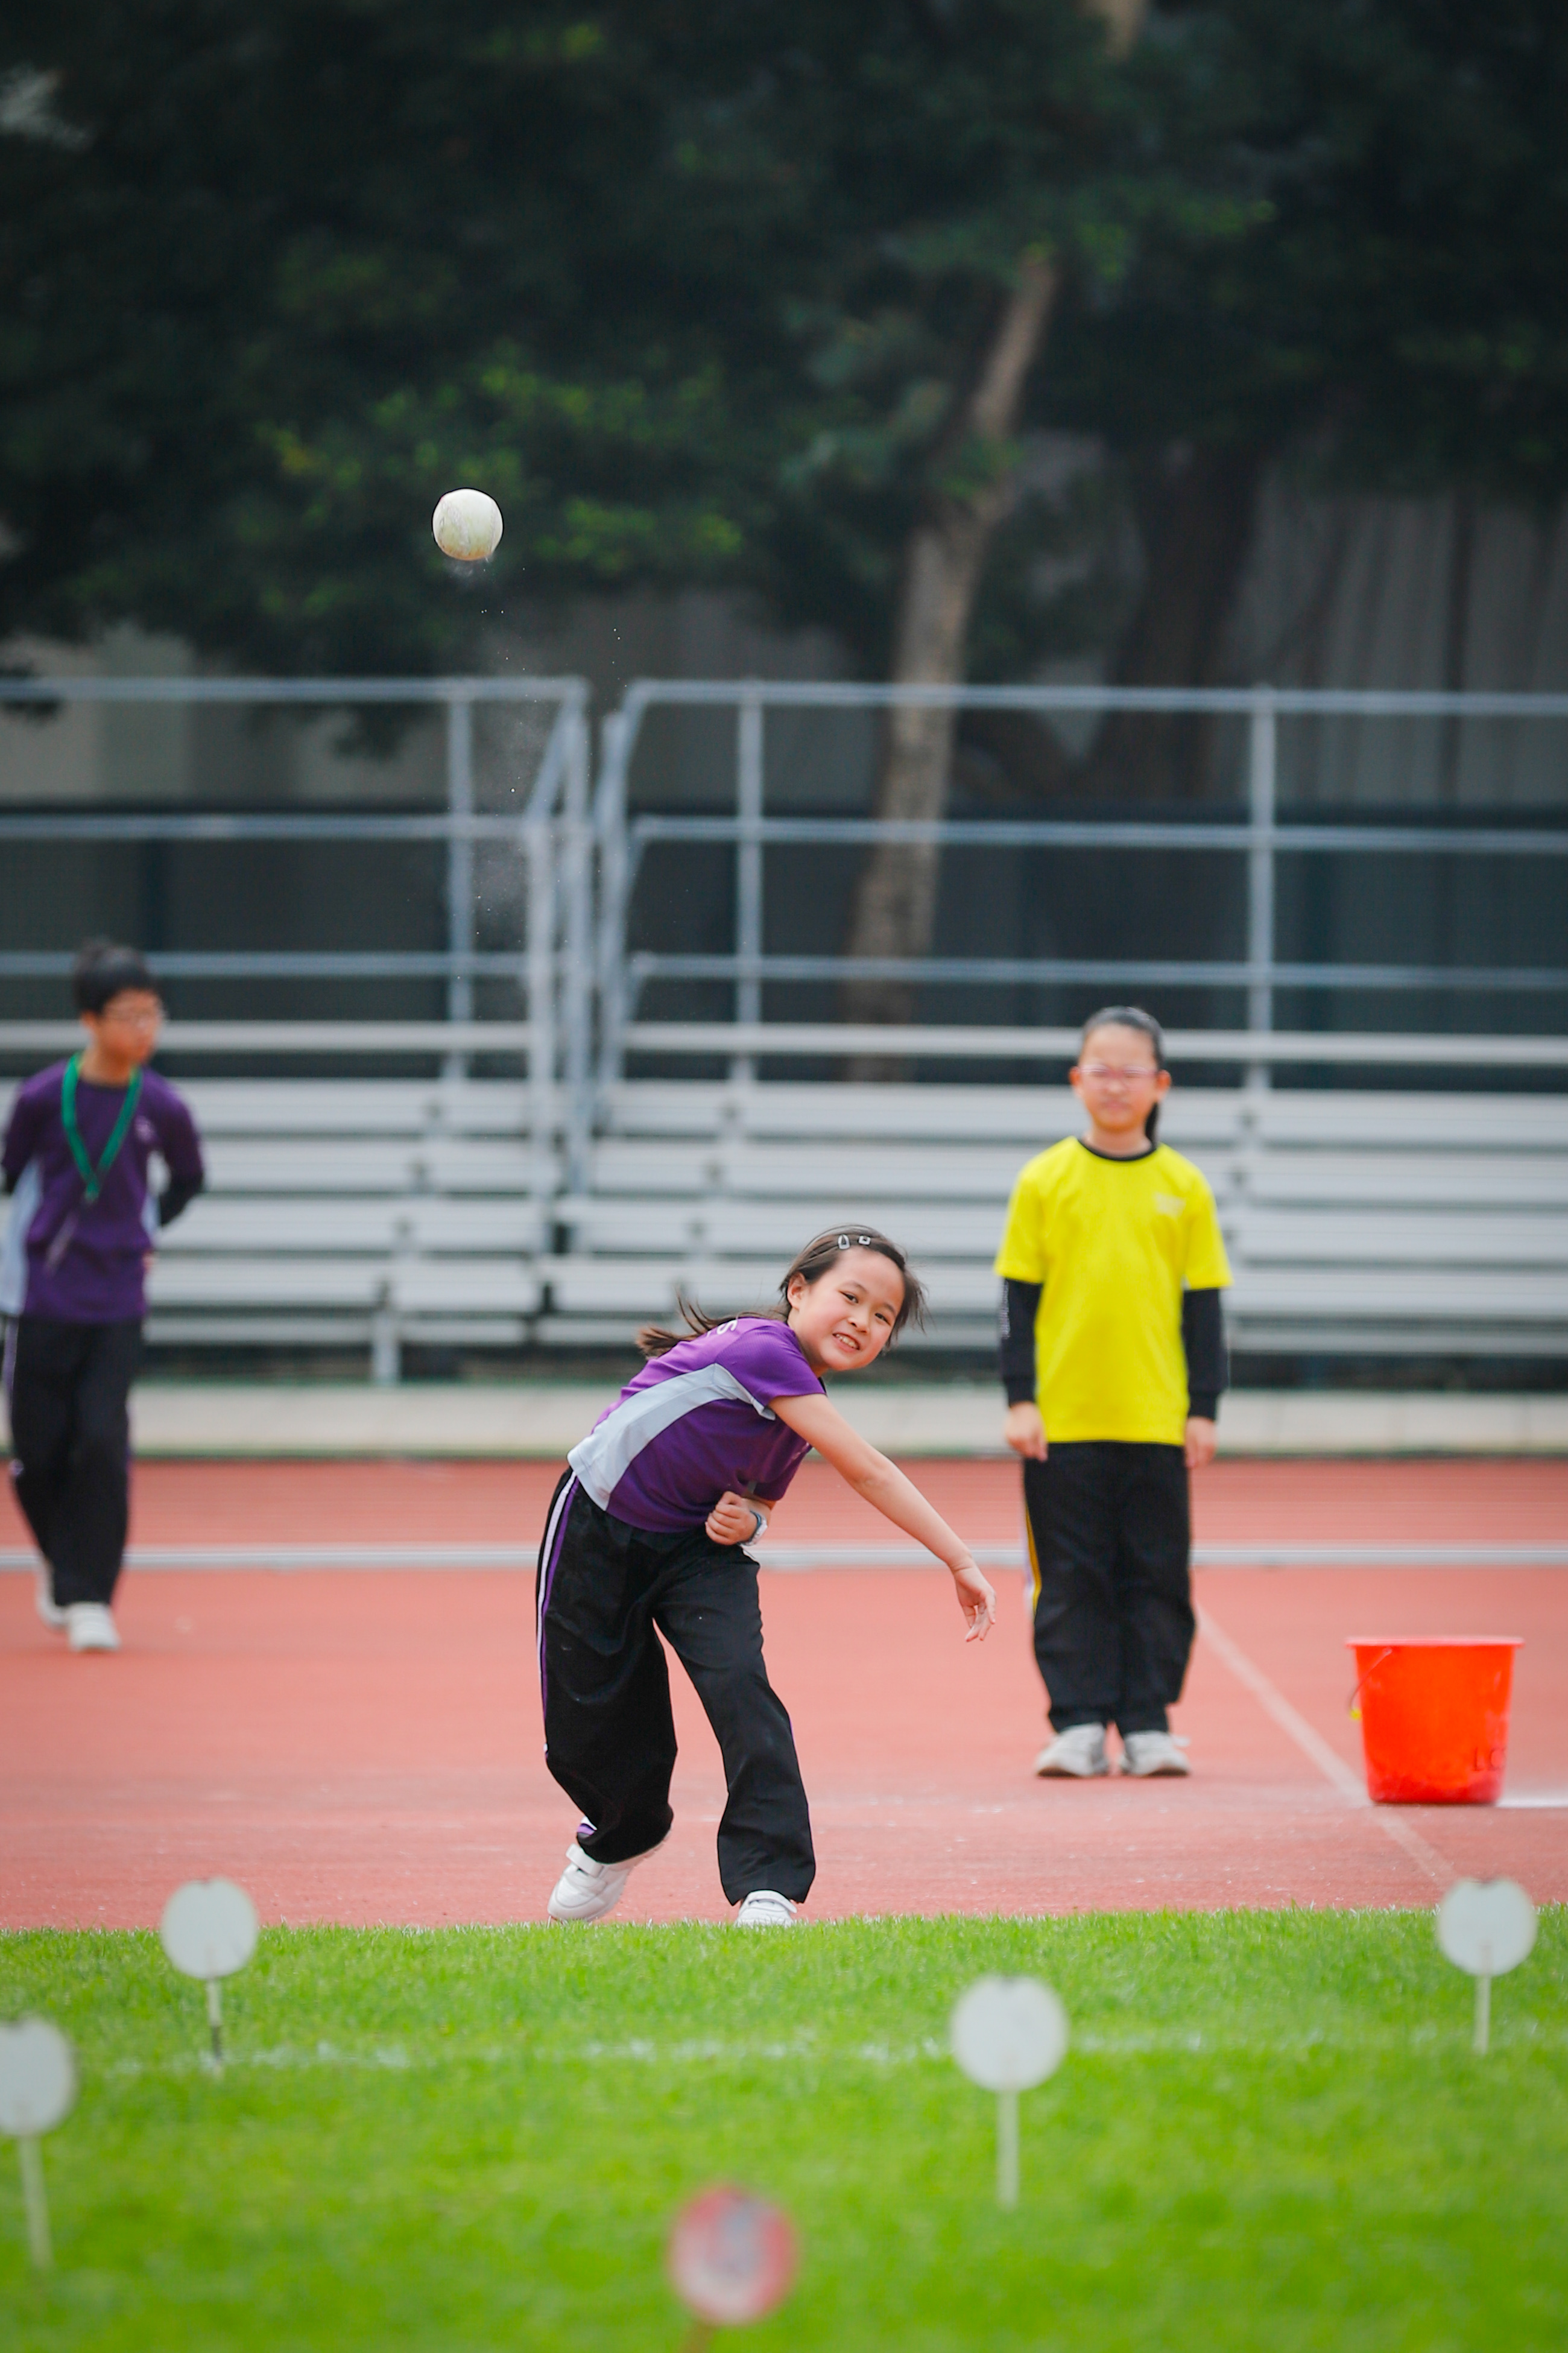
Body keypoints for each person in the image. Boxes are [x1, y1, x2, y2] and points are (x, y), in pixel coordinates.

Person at [536, 1228, 997, 1926]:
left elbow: (760, 1504)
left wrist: (747, 1522)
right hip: (596, 1526)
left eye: (882, 1316)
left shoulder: (800, 1402)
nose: (862, 1321)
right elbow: (867, 1470)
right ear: (798, 1290)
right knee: (590, 1719)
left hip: (696, 1553)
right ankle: (622, 1836)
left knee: (741, 1691)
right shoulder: (761, 1349)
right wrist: (958, 1558)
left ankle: (768, 1884)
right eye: (850, 1297)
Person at [995, 1005, 1230, 1779]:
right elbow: (1015, 1301)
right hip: (1061, 1422)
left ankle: (1147, 1722)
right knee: (1068, 1577)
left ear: (1160, 1084)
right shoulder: (1043, 1179)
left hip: (1155, 1420)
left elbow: (1204, 1308)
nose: (1115, 1085)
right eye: (1101, 1069)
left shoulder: (1183, 1185)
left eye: (1132, 1071)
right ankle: (1076, 1724)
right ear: (1076, 1080)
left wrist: (1202, 1408)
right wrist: (1020, 1397)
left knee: (1155, 1573)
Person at [2, 941, 204, 1653]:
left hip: (117, 1296)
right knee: (37, 1451)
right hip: (41, 1295)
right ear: (90, 1020)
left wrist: (144, 1231)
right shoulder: (41, 1098)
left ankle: (89, 1594)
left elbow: (188, 1179)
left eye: (153, 1014)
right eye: (128, 1015)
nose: (144, 1030)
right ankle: (62, 1560)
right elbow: (11, 1174)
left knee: (99, 1439)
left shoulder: (162, 1105)